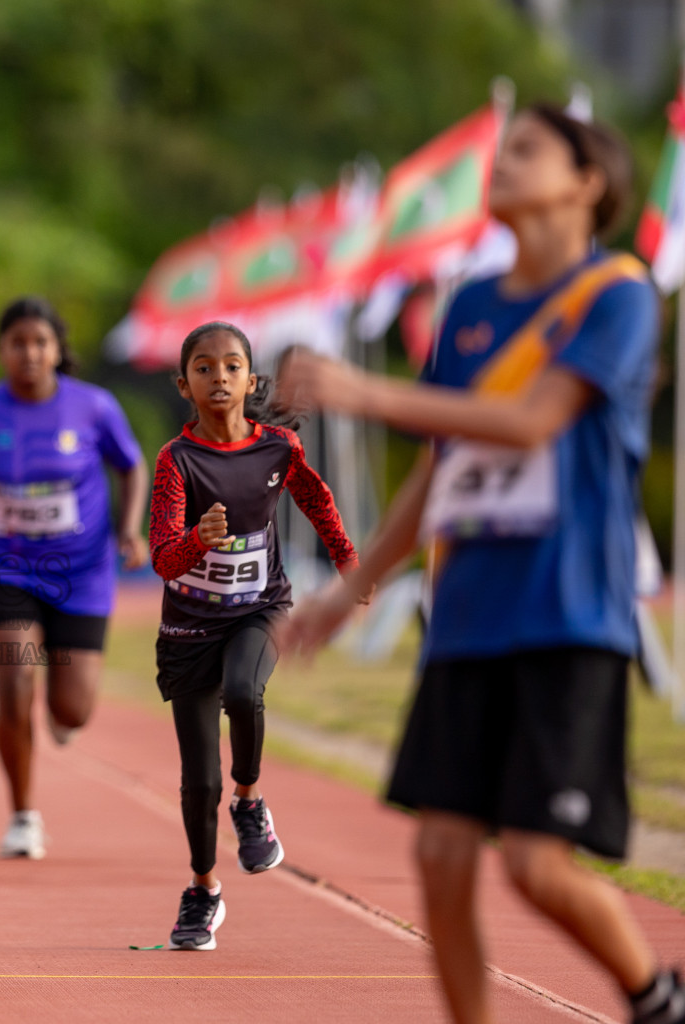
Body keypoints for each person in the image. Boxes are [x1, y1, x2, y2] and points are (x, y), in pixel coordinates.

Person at [277, 104, 685, 1023]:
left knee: (537, 867)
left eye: (529, 152)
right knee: (442, 856)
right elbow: (441, 466)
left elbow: (532, 419)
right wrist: (351, 588)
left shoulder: (616, 296)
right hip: (467, 620)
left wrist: (363, 390)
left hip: (568, 618)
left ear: (587, 183)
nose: (503, 165)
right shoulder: (470, 307)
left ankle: (657, 999)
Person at [148, 321, 361, 951]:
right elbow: (163, 558)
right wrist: (197, 540)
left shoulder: (279, 449)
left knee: (244, 693)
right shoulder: (176, 462)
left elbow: (317, 502)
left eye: (232, 366)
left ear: (252, 380)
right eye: (205, 367)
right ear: (183, 383)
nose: (220, 377)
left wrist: (349, 565)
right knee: (197, 779)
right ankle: (203, 890)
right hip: (190, 626)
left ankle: (250, 799)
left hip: (260, 609)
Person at [0, 296, 148, 860]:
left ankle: (62, 715)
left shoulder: (94, 408)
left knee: (72, 712)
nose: (29, 353)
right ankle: (22, 814)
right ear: (1, 351)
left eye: (40, 342)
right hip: (4, 567)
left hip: (84, 571)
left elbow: (132, 464)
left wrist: (130, 528)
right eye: (17, 343)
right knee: (16, 685)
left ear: (57, 350)